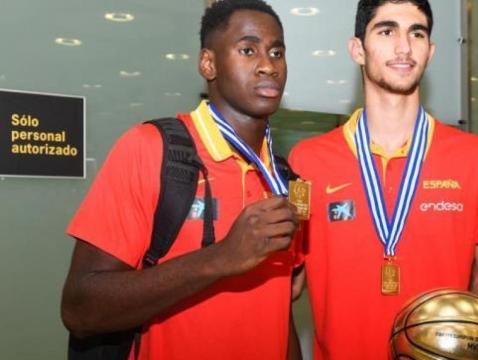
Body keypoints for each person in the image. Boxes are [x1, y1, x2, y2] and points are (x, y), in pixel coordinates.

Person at [61, 1, 304, 359]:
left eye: (276, 51)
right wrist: (220, 258)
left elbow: (278, 308)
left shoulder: (286, 179)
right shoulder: (149, 149)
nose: (268, 65)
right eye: (248, 50)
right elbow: (79, 309)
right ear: (209, 63)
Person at [288, 0, 478, 358]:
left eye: (417, 33)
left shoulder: (476, 156)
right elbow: (290, 281)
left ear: (431, 50)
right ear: (357, 49)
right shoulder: (307, 160)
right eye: (386, 30)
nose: (404, 47)